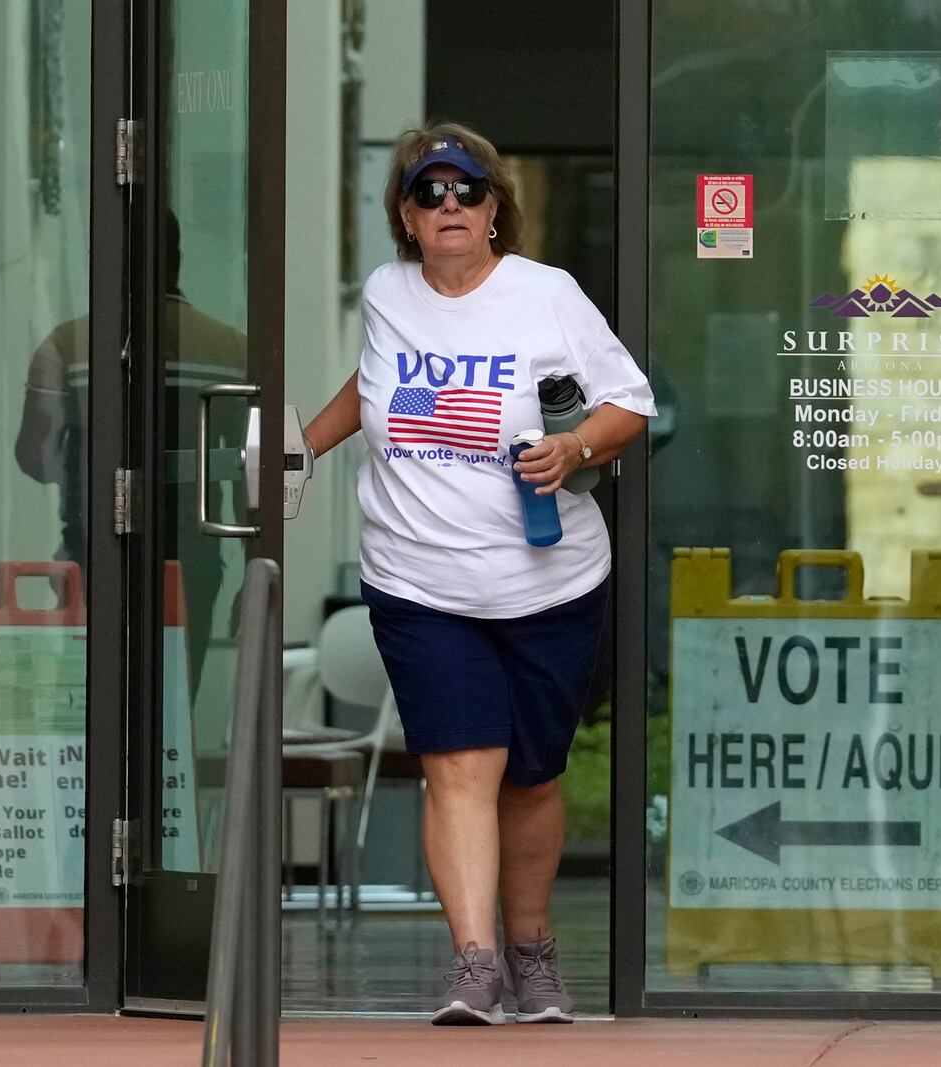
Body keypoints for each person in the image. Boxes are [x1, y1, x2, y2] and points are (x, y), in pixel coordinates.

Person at [303, 121, 654, 1025]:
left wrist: (574, 444)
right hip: (418, 583)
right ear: (407, 219)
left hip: (548, 580)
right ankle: (475, 963)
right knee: (461, 762)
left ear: (496, 209)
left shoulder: (547, 295)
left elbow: (630, 404)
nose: (449, 204)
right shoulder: (388, 293)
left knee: (531, 775)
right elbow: (377, 379)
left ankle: (532, 951)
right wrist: (302, 446)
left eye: (467, 190)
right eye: (429, 193)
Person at [15, 211, 247, 700]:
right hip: (193, 560)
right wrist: (257, 572)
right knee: (174, 702)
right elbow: (251, 473)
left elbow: (35, 460)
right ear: (177, 260)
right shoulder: (230, 348)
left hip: (90, 552)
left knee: (89, 702)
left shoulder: (67, 345)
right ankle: (168, 773)